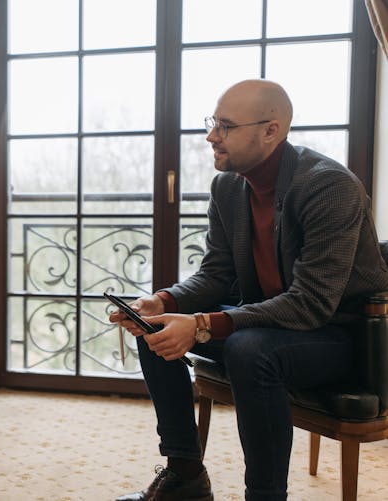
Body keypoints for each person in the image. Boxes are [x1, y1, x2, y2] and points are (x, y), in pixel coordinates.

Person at [110, 79, 388, 501]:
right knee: (156, 329)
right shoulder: (227, 187)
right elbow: (217, 274)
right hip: (269, 324)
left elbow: (311, 304)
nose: (210, 137)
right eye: (212, 123)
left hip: (339, 336)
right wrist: (164, 301)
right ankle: (184, 476)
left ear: (270, 130)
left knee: (248, 349)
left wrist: (202, 324)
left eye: (224, 126)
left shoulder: (330, 187)